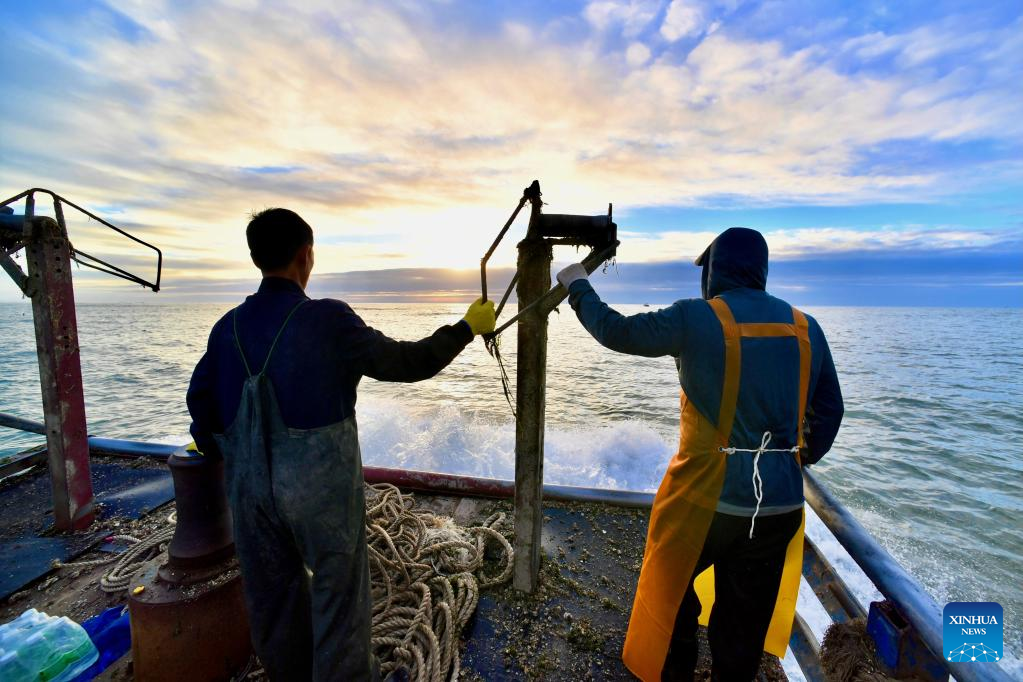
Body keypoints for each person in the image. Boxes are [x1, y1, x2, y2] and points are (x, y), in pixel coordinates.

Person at [186, 208, 495, 681]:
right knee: (339, 592)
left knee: (272, 596)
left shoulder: (225, 328)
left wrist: (223, 455)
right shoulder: (328, 318)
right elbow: (406, 362)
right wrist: (466, 328)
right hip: (320, 493)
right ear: (305, 256)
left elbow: (200, 408)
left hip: (248, 494)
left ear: (255, 258)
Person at [556, 227, 843, 681]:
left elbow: (615, 331)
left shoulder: (695, 318)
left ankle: (677, 666)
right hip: (779, 506)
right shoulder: (808, 328)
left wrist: (577, 285)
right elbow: (829, 413)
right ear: (761, 270)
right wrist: (795, 458)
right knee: (743, 624)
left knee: (671, 592)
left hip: (707, 503)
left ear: (714, 272)